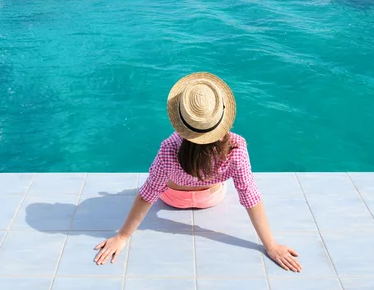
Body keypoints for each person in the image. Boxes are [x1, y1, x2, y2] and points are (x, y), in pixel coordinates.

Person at [94, 72, 302, 273]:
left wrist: (122, 236)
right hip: (211, 199)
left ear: (182, 120)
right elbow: (250, 196)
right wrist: (271, 245)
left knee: (158, 180)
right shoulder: (236, 148)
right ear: (221, 118)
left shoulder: (168, 148)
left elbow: (147, 195)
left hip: (172, 199)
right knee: (225, 181)